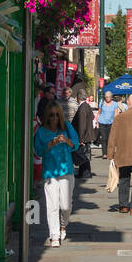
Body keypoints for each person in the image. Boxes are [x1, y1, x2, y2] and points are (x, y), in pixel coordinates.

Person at [33, 102, 79, 247]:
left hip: (66, 170)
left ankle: (63, 225)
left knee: (65, 205)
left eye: (56, 115)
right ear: (47, 116)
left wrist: (66, 140)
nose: (54, 118)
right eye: (51, 115)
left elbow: (76, 144)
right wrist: (50, 144)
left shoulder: (66, 127)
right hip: (50, 172)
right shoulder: (41, 132)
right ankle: (54, 235)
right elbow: (38, 151)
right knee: (52, 205)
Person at [71, 92, 97, 180]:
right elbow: (92, 117)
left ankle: (85, 173)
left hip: (84, 136)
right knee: (84, 155)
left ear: (78, 98)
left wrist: (80, 138)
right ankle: (84, 172)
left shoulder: (82, 107)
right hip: (87, 135)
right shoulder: (86, 106)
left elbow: (82, 124)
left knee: (83, 155)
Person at [96, 91, 119, 155]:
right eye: (106, 97)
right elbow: (99, 113)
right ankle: (104, 153)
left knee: (109, 138)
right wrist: (96, 122)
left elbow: (116, 114)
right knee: (104, 138)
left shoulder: (115, 104)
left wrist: (116, 122)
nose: (107, 98)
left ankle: (109, 152)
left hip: (110, 123)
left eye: (108, 97)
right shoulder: (102, 103)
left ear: (111, 97)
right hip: (102, 122)